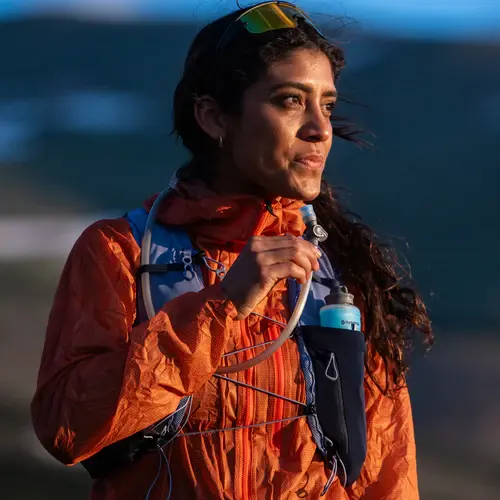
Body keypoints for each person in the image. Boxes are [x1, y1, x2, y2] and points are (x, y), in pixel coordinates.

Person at [31, 2, 432, 499]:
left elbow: (388, 474)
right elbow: (68, 428)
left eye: (327, 105)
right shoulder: (121, 251)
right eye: (290, 100)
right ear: (213, 116)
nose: (320, 128)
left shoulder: (343, 273)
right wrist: (221, 306)